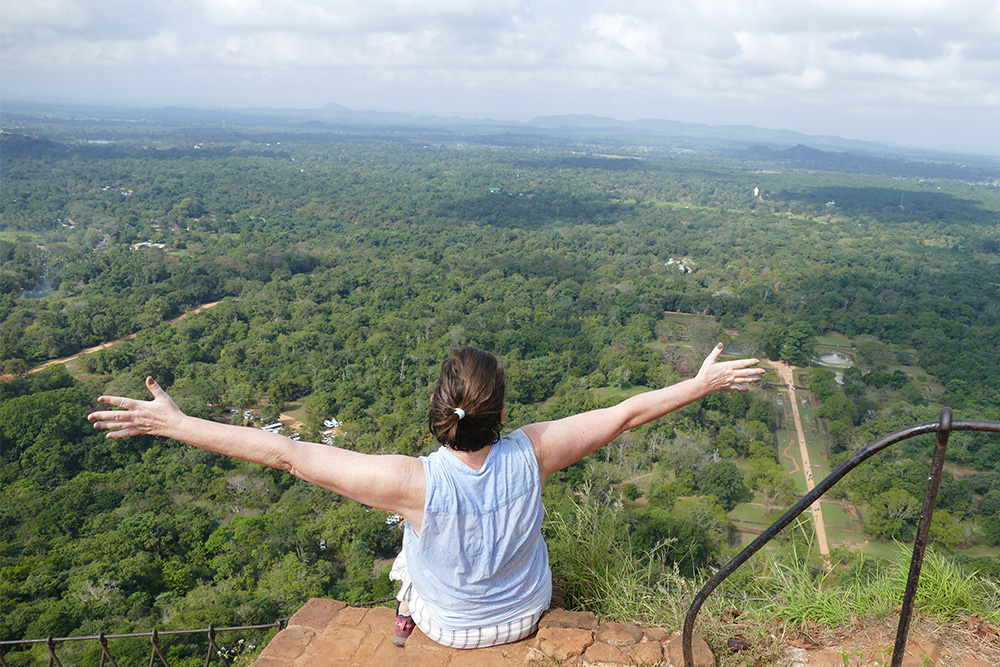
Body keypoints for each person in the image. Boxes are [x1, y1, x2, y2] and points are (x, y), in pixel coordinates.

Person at [88, 342, 763, 649]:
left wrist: (175, 424)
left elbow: (286, 454)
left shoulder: (413, 481)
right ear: (501, 413)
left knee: (411, 554)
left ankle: (407, 620)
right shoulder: (536, 451)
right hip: (525, 615)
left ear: (439, 411)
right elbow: (624, 412)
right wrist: (699, 384)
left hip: (448, 628)